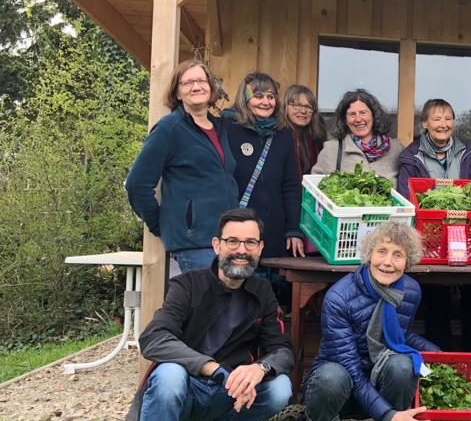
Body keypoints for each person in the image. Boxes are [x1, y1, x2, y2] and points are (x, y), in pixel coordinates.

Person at [126, 208, 294, 421]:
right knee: (170, 372)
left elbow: (283, 350)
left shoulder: (262, 294)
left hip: (225, 395)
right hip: (184, 391)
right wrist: (214, 370)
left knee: (281, 387)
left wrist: (258, 369)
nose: (241, 250)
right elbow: (154, 339)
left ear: (260, 248)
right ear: (217, 244)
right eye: (233, 241)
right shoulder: (186, 286)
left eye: (250, 242)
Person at [298, 221, 438, 421]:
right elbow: (349, 365)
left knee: (403, 365)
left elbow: (398, 334)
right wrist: (389, 414)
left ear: (407, 262)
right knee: (332, 377)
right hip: (339, 378)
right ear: (369, 255)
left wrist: (440, 356)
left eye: (398, 255)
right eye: (381, 251)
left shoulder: (409, 291)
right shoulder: (339, 297)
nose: (387, 262)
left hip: (378, 371)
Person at [126, 59, 239, 273]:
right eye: (187, 83)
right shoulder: (169, 129)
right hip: (194, 245)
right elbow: (136, 184)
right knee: (203, 305)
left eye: (201, 81)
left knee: (222, 306)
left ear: (210, 87)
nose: (196, 87)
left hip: (224, 241)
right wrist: (160, 225)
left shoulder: (219, 129)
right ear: (177, 93)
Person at [397, 99, 471, 350]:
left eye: (448, 118)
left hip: (467, 237)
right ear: (424, 123)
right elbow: (407, 197)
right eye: (436, 119)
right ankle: (440, 360)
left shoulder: (467, 152)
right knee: (436, 298)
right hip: (431, 239)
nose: (443, 124)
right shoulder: (410, 156)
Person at [223, 72, 303, 260]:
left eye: (270, 96)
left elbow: (290, 185)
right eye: (258, 96)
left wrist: (293, 229)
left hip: (274, 233)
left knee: (272, 287)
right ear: (245, 99)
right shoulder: (227, 128)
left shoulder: (283, 135)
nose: (265, 102)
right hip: (238, 232)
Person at [313, 89, 404, 182]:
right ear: (345, 120)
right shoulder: (331, 149)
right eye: (352, 114)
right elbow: (315, 186)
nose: (358, 119)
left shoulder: (396, 149)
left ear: (374, 115)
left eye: (363, 113)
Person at [282, 84, 327, 181]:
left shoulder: (317, 140)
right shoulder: (278, 138)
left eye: (308, 107)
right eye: (297, 105)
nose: (303, 111)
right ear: (285, 107)